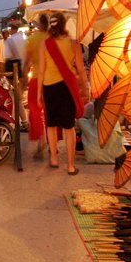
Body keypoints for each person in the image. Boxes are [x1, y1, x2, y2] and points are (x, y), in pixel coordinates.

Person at [37, 13, 88, 174]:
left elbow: (41, 70)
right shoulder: (73, 43)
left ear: (51, 27)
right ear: (64, 25)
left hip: (49, 86)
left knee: (51, 124)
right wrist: (85, 89)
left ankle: (54, 158)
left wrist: (39, 93)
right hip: (67, 87)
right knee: (68, 126)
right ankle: (71, 166)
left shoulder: (45, 44)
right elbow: (80, 69)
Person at [24, 14, 49, 159]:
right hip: (52, 78)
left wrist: (23, 78)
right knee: (50, 110)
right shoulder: (52, 38)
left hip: (36, 78)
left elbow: (27, 62)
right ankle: (53, 144)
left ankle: (41, 139)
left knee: (34, 108)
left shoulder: (32, 40)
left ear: (38, 25)